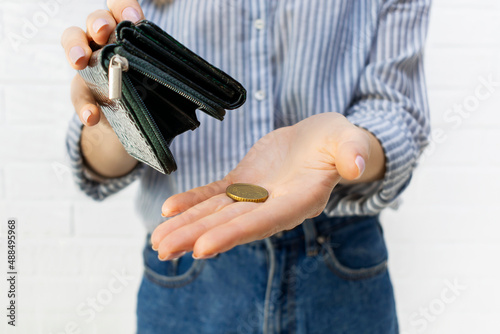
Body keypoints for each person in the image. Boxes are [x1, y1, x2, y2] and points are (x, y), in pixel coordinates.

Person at [61, 0, 431, 333]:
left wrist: (350, 147)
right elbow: (96, 170)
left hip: (339, 265)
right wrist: (114, 118)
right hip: (187, 267)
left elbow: (396, 111)